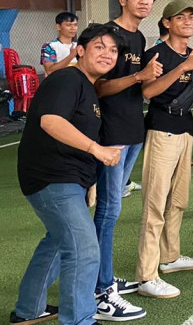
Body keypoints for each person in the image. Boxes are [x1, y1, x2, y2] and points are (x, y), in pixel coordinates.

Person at [14, 24, 125, 325]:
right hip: (52, 178)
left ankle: (28, 310)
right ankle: (79, 320)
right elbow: (51, 121)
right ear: (81, 50)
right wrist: (97, 150)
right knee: (84, 248)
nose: (107, 54)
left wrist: (90, 183)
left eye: (113, 50)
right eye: (99, 47)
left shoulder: (86, 86)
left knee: (57, 241)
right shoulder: (67, 79)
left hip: (68, 180)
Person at [94, 0, 162, 321]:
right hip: (111, 134)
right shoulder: (108, 35)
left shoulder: (138, 36)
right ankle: (100, 288)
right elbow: (100, 87)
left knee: (112, 209)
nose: (145, 1)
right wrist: (139, 76)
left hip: (133, 130)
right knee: (107, 211)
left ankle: (103, 276)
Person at [133, 1, 193, 299]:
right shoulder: (156, 54)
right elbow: (148, 91)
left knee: (178, 200)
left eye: (192, 17)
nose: (188, 22)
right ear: (166, 23)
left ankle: (170, 257)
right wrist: (183, 67)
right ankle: (146, 275)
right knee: (155, 204)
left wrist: (191, 63)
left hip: (185, 129)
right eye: (181, 17)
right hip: (161, 129)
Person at [40, 11, 78, 76]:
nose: (73, 28)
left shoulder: (79, 45)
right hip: (59, 81)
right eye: (68, 25)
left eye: (75, 25)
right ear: (58, 27)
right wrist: (71, 55)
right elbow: (50, 71)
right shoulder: (49, 46)